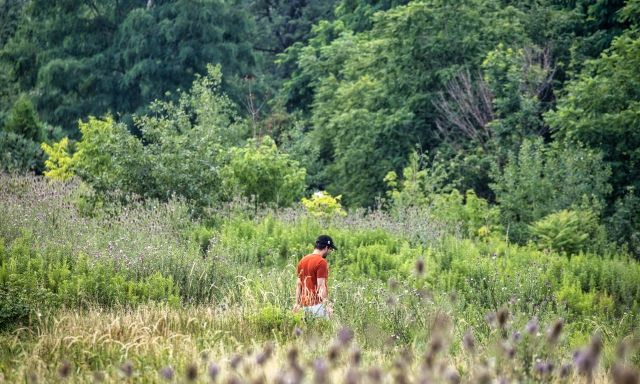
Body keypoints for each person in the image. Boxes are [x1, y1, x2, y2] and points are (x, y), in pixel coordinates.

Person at [293, 235, 337, 319]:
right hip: (317, 305)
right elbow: (321, 287)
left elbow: (299, 284)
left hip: (304, 307)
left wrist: (297, 304)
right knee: (322, 332)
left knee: (307, 331)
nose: (330, 252)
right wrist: (327, 305)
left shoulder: (302, 261)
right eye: (330, 249)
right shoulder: (321, 262)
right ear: (326, 247)